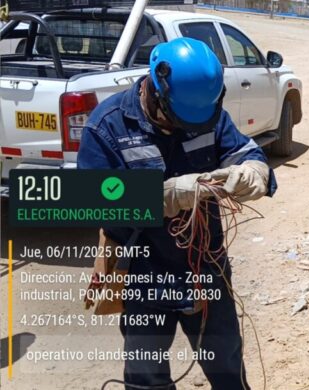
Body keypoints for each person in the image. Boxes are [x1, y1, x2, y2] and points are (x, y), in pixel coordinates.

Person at [78, 37, 276, 389]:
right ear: (156, 90)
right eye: (178, 119)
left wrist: (255, 170)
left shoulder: (208, 114)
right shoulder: (107, 126)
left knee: (226, 361)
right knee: (147, 375)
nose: (186, 128)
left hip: (206, 266)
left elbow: (245, 153)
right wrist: (164, 196)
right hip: (143, 272)